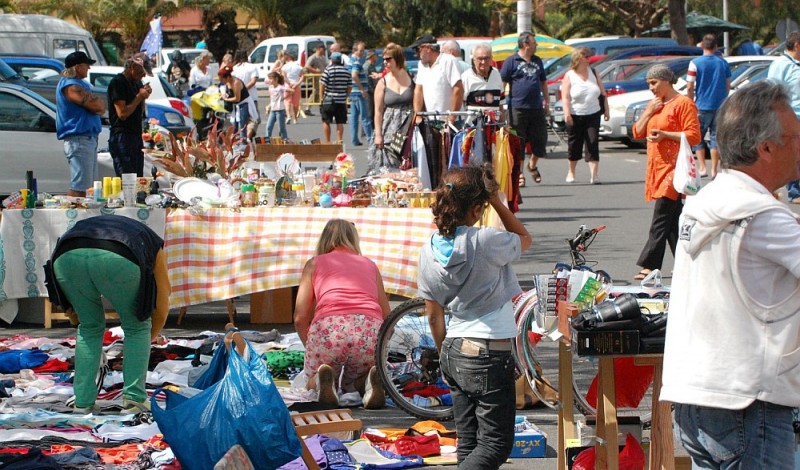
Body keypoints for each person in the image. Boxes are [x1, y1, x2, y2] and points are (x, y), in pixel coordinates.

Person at [662, 80, 800, 469]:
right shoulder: (762, 216)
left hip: (699, 395)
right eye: (796, 137)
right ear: (766, 147)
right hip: (747, 400)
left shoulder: (708, 200)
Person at [417, 164, 532, 469]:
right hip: (488, 350)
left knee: (468, 443)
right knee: (495, 444)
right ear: (477, 209)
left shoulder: (427, 250)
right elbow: (524, 238)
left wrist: (443, 356)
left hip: (454, 348)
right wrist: (496, 199)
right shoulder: (486, 241)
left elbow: (433, 316)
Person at [45, 215, 170, 413]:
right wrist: (149, 336)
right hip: (119, 258)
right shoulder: (154, 244)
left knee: (89, 328)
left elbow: (70, 307)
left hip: (65, 256)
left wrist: (77, 320)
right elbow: (162, 298)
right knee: (136, 326)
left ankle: (82, 401)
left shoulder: (89, 227)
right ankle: (133, 400)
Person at [294, 219, 391, 409]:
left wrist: (311, 346)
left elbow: (300, 317)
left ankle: (322, 381)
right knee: (360, 371)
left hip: (329, 331)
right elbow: (388, 315)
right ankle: (366, 383)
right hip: (369, 332)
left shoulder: (314, 264)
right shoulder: (370, 265)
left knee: (314, 375)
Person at [631, 64, 701, 281]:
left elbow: (694, 136)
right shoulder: (655, 104)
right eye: (649, 84)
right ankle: (689, 262)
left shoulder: (683, 104)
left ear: (666, 81)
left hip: (674, 170)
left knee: (661, 218)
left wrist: (665, 135)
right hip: (657, 168)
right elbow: (637, 132)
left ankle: (649, 264)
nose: (651, 88)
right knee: (672, 223)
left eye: (654, 83)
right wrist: (650, 112)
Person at [500, 32, 549, 185]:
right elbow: (503, 82)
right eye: (534, 43)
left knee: (540, 140)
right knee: (518, 143)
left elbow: (543, 82)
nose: (536, 46)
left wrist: (546, 100)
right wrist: (501, 104)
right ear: (526, 45)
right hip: (517, 108)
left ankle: (532, 164)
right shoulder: (511, 61)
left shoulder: (537, 61)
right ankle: (519, 173)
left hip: (536, 107)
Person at [56, 51, 105, 197]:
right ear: (78, 67)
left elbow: (99, 105)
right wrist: (95, 101)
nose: (89, 69)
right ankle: (73, 217)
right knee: (80, 187)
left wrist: (95, 102)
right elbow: (98, 107)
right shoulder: (71, 86)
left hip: (86, 139)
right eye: (86, 65)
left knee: (87, 187)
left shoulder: (78, 84)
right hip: (79, 140)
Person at [561, 47, 609, 184]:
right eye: (586, 56)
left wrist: (606, 110)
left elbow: (602, 93)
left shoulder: (593, 72)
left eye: (589, 56)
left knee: (592, 142)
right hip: (576, 114)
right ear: (578, 58)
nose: (589, 58)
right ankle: (571, 171)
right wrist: (567, 113)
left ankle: (594, 175)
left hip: (593, 113)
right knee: (574, 144)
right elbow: (565, 97)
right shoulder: (570, 75)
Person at [686, 34, 731, 178]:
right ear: (716, 47)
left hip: (701, 105)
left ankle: (702, 167)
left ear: (702, 46)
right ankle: (714, 170)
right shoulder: (723, 63)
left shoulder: (695, 63)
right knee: (715, 137)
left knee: (698, 137)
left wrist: (690, 101)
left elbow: (689, 85)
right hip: (720, 105)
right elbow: (728, 84)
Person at [367, 44, 415, 173]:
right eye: (384, 59)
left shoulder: (411, 78)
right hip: (389, 130)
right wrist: (378, 135)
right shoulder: (383, 82)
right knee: (390, 165)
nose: (385, 62)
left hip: (408, 127)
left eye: (389, 59)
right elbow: (378, 111)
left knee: (409, 163)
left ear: (397, 59)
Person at [767, 31, 800, 204]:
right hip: (790, 118)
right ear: (797, 46)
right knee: (793, 154)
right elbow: (772, 92)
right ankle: (794, 192)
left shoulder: (797, 64)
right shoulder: (781, 64)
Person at [108, 53, 153, 176]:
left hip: (135, 135)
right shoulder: (118, 83)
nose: (143, 75)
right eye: (141, 72)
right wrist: (139, 96)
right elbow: (122, 114)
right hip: (122, 136)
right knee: (127, 178)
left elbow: (139, 111)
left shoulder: (137, 83)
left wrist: (144, 96)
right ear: (132, 68)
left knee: (138, 177)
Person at [412, 34, 464, 121]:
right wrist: (418, 115)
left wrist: (452, 118)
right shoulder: (421, 65)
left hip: (450, 120)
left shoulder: (449, 61)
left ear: (428, 48)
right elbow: (418, 90)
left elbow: (458, 89)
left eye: (418, 49)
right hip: (430, 120)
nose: (416, 54)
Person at [320, 52, 352, 143]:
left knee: (326, 121)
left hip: (329, 99)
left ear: (332, 60)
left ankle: (327, 141)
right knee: (340, 122)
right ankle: (339, 140)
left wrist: (322, 97)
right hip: (341, 100)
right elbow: (349, 86)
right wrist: (345, 95)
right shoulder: (346, 71)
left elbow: (322, 84)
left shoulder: (328, 70)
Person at [349, 41, 374, 146]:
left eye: (363, 51)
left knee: (354, 117)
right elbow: (354, 75)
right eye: (360, 51)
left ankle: (354, 139)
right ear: (354, 50)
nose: (362, 53)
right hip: (359, 93)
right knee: (365, 117)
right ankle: (370, 139)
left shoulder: (350, 60)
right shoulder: (357, 62)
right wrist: (362, 89)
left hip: (353, 92)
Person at [232, 50, 260, 141]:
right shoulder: (252, 67)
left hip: (239, 98)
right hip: (251, 96)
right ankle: (247, 137)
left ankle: (241, 137)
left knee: (241, 120)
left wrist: (239, 90)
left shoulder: (235, 68)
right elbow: (253, 81)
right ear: (246, 56)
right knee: (254, 119)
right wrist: (244, 89)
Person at [218, 65, 250, 140]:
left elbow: (237, 98)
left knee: (242, 125)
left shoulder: (236, 83)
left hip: (243, 104)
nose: (223, 82)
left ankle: (243, 142)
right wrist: (224, 95)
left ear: (228, 77)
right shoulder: (228, 82)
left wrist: (225, 99)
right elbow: (229, 93)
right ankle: (235, 142)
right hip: (235, 106)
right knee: (234, 126)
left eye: (223, 80)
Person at [304, 44, 328, 116]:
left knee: (318, 92)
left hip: (323, 76)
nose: (324, 51)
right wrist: (315, 71)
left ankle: (309, 108)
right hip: (316, 77)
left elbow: (327, 65)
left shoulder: (323, 57)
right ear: (319, 49)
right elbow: (307, 66)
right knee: (317, 91)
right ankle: (308, 108)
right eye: (323, 49)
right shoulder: (313, 57)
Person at [264, 71, 288, 142]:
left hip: (280, 110)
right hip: (273, 110)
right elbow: (272, 99)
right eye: (269, 79)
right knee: (268, 126)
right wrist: (268, 107)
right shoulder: (270, 88)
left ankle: (284, 140)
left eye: (271, 79)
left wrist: (283, 98)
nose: (269, 80)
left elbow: (291, 91)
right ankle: (267, 141)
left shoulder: (280, 87)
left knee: (281, 128)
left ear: (276, 79)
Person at [280, 53, 304, 124]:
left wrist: (289, 83)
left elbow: (284, 77)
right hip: (296, 86)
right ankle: (295, 119)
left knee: (287, 101)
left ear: (288, 59)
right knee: (295, 103)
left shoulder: (284, 67)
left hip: (288, 86)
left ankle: (288, 116)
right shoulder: (299, 67)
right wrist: (297, 83)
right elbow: (302, 76)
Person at [365, 49, 379, 120]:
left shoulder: (372, 66)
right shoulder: (367, 67)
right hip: (369, 93)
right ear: (372, 56)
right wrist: (374, 92)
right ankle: (367, 131)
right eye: (376, 56)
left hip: (372, 92)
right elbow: (368, 82)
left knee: (372, 113)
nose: (377, 57)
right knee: (369, 114)